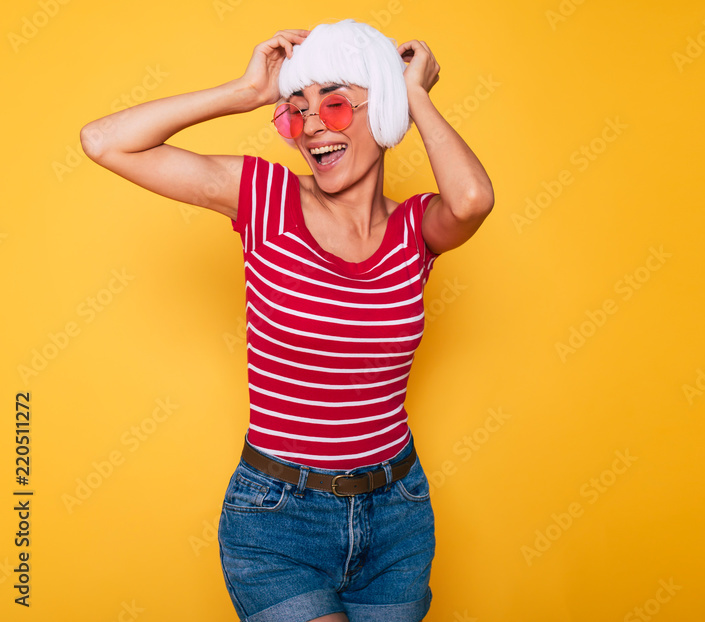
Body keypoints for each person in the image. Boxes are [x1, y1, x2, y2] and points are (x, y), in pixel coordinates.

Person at [81, 18, 494, 622]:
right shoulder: (265, 195)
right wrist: (245, 93)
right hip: (279, 519)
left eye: (335, 105)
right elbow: (103, 141)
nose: (313, 127)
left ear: (382, 110)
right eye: (296, 111)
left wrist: (412, 95)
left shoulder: (415, 229)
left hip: (398, 514)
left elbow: (473, 200)